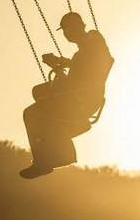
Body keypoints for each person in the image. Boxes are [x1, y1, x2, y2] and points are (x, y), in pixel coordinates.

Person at [20, 12, 114, 179]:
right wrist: (60, 63)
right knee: (38, 92)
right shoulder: (84, 51)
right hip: (78, 97)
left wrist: (63, 63)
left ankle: (44, 161)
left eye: (67, 30)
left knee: (31, 114)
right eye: (64, 31)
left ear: (76, 28)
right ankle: (59, 142)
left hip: (81, 100)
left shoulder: (93, 40)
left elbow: (91, 67)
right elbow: (79, 73)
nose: (65, 35)